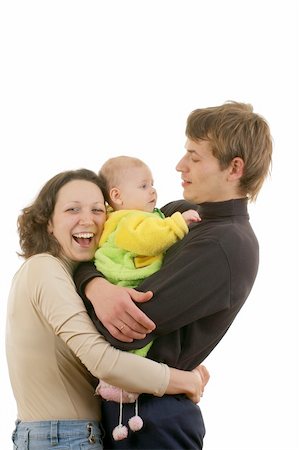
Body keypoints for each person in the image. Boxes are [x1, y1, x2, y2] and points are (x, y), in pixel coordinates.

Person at [74, 101, 273, 450]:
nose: (180, 166)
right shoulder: (180, 214)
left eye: (195, 157)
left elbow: (122, 332)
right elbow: (108, 247)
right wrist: (95, 285)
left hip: (154, 424)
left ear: (234, 168)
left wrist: (92, 287)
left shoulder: (226, 245)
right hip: (127, 413)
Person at [5, 168, 209, 450]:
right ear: (48, 222)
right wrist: (184, 380)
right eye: (72, 209)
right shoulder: (45, 269)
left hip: (64, 435)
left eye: (97, 209)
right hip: (63, 438)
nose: (87, 219)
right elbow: (101, 360)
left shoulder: (71, 275)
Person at [93, 156, 201, 437]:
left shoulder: (140, 217)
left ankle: (120, 383)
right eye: (143, 186)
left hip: (136, 289)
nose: (152, 191)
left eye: (152, 184)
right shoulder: (126, 222)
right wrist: (178, 225)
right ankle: (119, 384)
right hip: (129, 285)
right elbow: (148, 239)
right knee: (135, 345)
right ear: (116, 196)